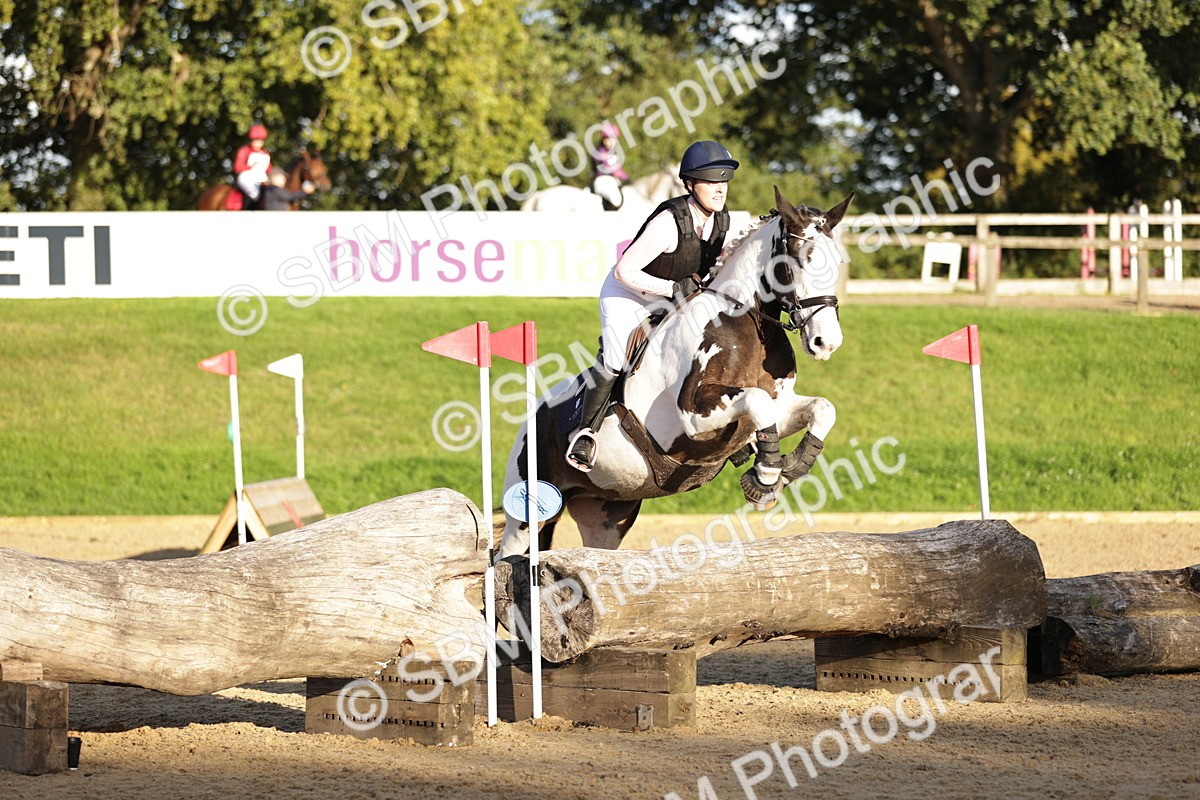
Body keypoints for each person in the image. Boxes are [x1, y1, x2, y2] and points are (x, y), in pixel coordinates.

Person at [566, 140, 737, 472]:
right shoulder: (668, 223)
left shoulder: (721, 221)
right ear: (689, 184)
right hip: (627, 294)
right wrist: (673, 288)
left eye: (724, 182)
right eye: (711, 182)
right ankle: (585, 433)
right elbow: (623, 271)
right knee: (617, 359)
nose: (720, 190)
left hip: (671, 295)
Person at [591, 122, 630, 210]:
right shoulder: (601, 152)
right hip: (603, 181)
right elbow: (614, 170)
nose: (613, 142)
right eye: (610, 139)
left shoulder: (613, 153)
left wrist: (627, 178)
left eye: (614, 139)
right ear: (604, 140)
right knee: (616, 200)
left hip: (612, 181)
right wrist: (626, 178)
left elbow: (619, 169)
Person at [233, 123, 272, 209]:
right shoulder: (244, 150)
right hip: (247, 178)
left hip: (261, 177)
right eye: (255, 141)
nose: (257, 144)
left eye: (260, 141)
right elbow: (237, 167)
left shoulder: (265, 153)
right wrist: (251, 166)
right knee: (255, 194)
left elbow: (269, 169)